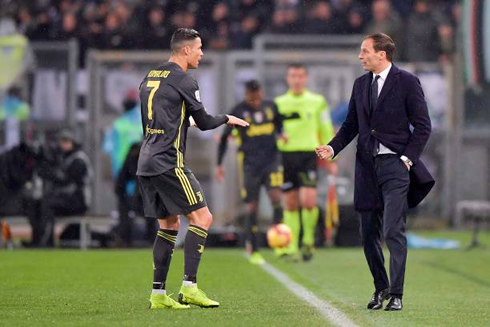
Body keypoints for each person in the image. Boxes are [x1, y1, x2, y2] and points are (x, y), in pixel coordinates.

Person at [316, 33, 434, 311]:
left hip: (396, 166)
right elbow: (351, 125)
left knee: (393, 230)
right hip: (366, 166)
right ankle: (380, 287)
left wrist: (407, 158)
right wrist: (332, 149)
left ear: (382, 54)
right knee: (368, 233)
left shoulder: (406, 82)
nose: (360, 56)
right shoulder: (360, 85)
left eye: (365, 51)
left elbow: (423, 125)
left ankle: (397, 294)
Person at [137, 28, 248, 310]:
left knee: (169, 225)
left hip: (146, 161)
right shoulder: (184, 80)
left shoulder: (150, 77)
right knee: (203, 217)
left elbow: (169, 117)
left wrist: (188, 122)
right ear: (185, 50)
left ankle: (159, 295)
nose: (201, 53)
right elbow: (207, 121)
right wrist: (227, 118)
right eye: (199, 48)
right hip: (169, 161)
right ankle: (189, 287)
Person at [215, 80, 284, 265]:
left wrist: (282, 133)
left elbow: (279, 124)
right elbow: (223, 139)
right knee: (252, 206)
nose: (254, 101)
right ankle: (253, 248)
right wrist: (219, 164)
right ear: (246, 95)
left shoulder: (271, 107)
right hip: (249, 165)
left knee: (276, 196)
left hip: (271, 161)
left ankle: (280, 243)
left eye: (257, 97)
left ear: (261, 93)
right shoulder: (238, 111)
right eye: (250, 97)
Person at [275, 63, 337, 261]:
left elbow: (326, 128)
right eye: (293, 76)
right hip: (286, 156)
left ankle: (308, 240)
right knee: (290, 203)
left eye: (300, 76)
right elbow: (273, 130)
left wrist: (331, 156)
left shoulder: (317, 101)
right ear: (287, 79)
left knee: (308, 200)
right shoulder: (278, 103)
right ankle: (292, 245)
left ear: (306, 79)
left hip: (308, 156)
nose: (297, 80)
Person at [25, 130, 92, 247]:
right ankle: (37, 239)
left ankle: (47, 241)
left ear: (72, 142)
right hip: (68, 199)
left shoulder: (79, 160)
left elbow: (67, 181)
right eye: (62, 141)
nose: (63, 145)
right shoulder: (65, 157)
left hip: (78, 201)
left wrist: (50, 174)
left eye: (66, 141)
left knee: (48, 204)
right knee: (36, 204)